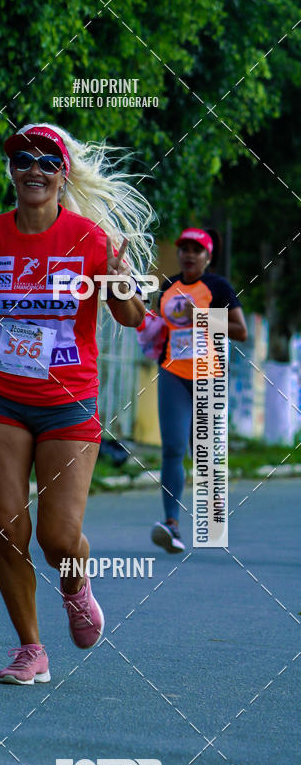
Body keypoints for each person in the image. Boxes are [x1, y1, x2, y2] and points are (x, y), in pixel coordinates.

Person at [0, 123, 154, 684]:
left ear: (62, 174)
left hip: (69, 403)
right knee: (7, 530)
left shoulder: (91, 239)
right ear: (12, 171)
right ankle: (31, 649)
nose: (33, 169)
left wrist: (123, 282)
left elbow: (130, 318)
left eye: (46, 161)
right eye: (22, 160)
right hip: (2, 398)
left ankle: (76, 585)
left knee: (58, 537)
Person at [151, 228, 247, 553]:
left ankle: (212, 519)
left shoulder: (218, 287)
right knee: (173, 448)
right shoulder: (168, 287)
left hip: (209, 375)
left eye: (196, 250)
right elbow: (159, 325)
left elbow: (240, 331)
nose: (189, 255)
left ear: (208, 257)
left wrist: (202, 318)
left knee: (203, 454)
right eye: (184, 249)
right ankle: (171, 524)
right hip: (173, 373)